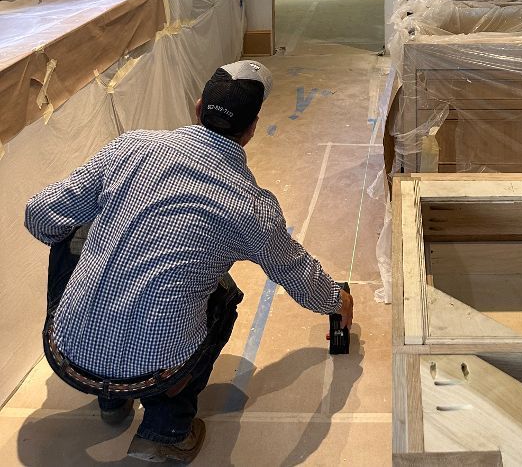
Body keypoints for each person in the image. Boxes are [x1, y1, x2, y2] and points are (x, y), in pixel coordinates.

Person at [24, 60, 354, 464]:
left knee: (72, 231)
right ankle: (166, 431)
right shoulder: (251, 209)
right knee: (224, 295)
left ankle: (109, 399)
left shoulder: (130, 148)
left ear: (197, 107)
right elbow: (298, 274)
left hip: (64, 352)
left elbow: (39, 213)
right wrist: (337, 300)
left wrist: (106, 243)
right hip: (151, 373)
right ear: (251, 130)